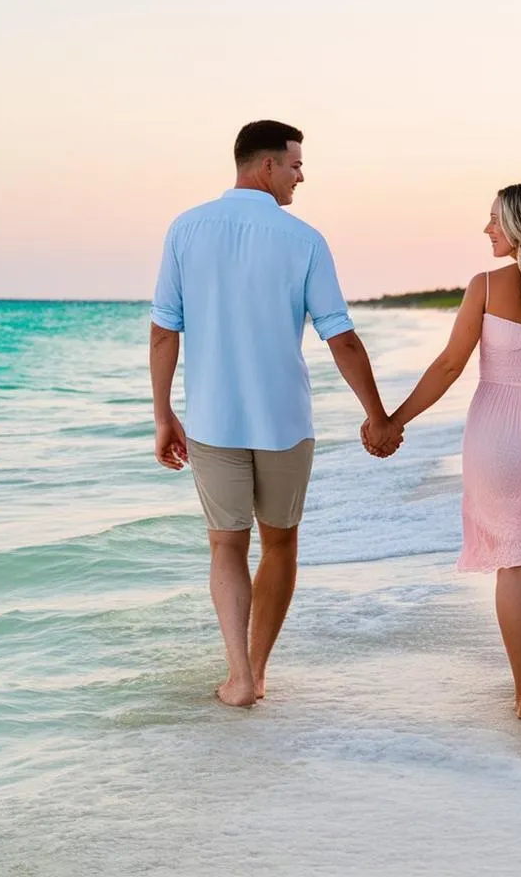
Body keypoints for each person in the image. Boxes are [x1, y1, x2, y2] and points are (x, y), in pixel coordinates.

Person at [150, 120, 402, 708]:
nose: (300, 176)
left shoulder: (185, 229)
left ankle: (237, 676)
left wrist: (164, 414)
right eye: (295, 166)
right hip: (285, 422)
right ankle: (258, 671)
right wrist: (378, 416)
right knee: (280, 546)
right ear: (265, 166)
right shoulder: (304, 239)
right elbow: (339, 336)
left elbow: (165, 332)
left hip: (212, 420)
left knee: (225, 547)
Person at [373, 181, 521, 721]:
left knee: (513, 566)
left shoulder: (484, 285)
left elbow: (449, 366)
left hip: (495, 438)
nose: (487, 230)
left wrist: (393, 421)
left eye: (495, 220)